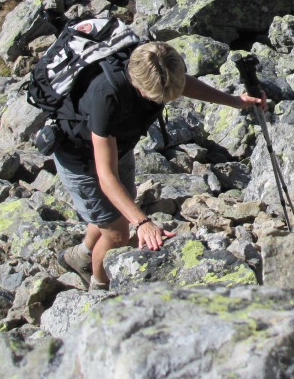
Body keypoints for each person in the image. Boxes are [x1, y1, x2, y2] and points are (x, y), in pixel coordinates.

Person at [53, 41, 266, 290]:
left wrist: (234, 101)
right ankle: (98, 289)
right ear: (138, 85)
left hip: (119, 145)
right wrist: (143, 223)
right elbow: (106, 176)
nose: (163, 100)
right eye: (157, 97)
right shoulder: (107, 97)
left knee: (118, 209)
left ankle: (81, 254)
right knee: (117, 233)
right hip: (80, 157)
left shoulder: (162, 65)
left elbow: (184, 83)